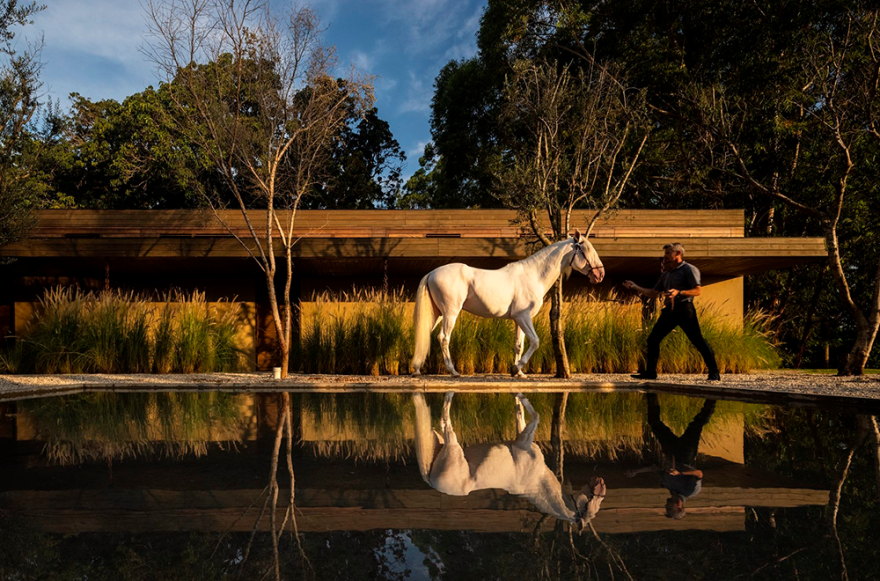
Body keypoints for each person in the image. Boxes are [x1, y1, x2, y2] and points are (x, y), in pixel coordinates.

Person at [623, 242, 721, 381]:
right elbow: (653, 293)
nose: (665, 256)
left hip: (685, 309)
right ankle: (651, 372)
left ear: (678, 254)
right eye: (665, 254)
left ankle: (714, 372)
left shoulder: (689, 269)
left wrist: (679, 292)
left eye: (668, 253)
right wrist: (635, 286)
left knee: (697, 340)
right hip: (670, 311)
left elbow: (698, 290)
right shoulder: (666, 274)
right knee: (653, 339)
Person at [624, 393, 717, 519]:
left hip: (670, 451)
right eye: (668, 508)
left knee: (654, 422)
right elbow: (699, 473)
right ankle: (712, 398)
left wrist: (636, 471)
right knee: (696, 424)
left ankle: (652, 392)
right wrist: (680, 473)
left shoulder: (668, 486)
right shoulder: (690, 491)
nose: (665, 505)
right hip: (686, 452)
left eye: (666, 508)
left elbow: (656, 468)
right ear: (679, 506)